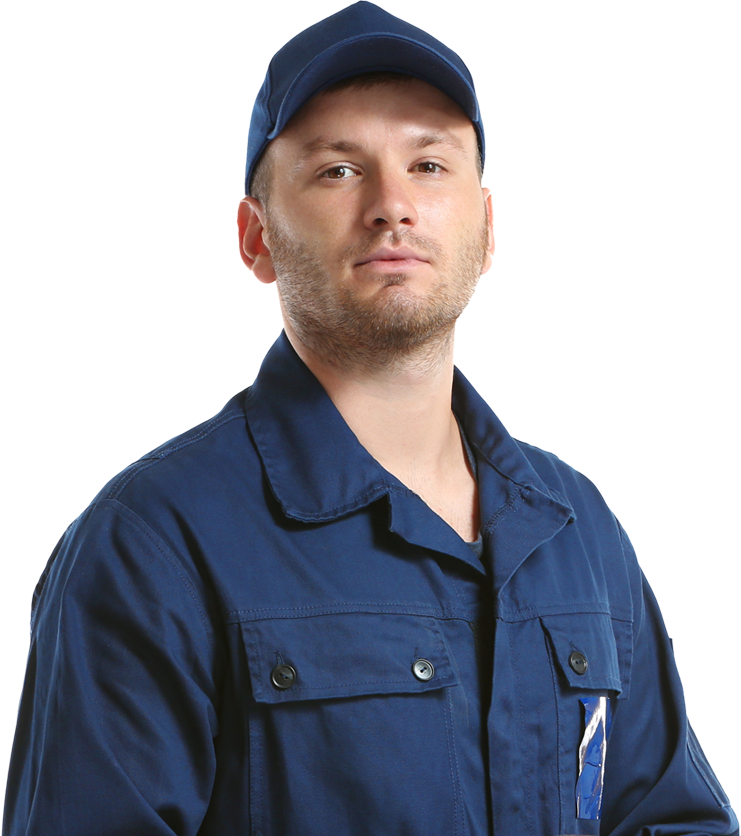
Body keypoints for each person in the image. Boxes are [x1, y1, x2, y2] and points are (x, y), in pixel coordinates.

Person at [3, 3, 738, 835]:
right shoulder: (151, 542)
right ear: (255, 238)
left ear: (488, 227)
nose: (393, 205)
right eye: (338, 170)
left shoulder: (577, 528)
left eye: (428, 164)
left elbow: (670, 817)